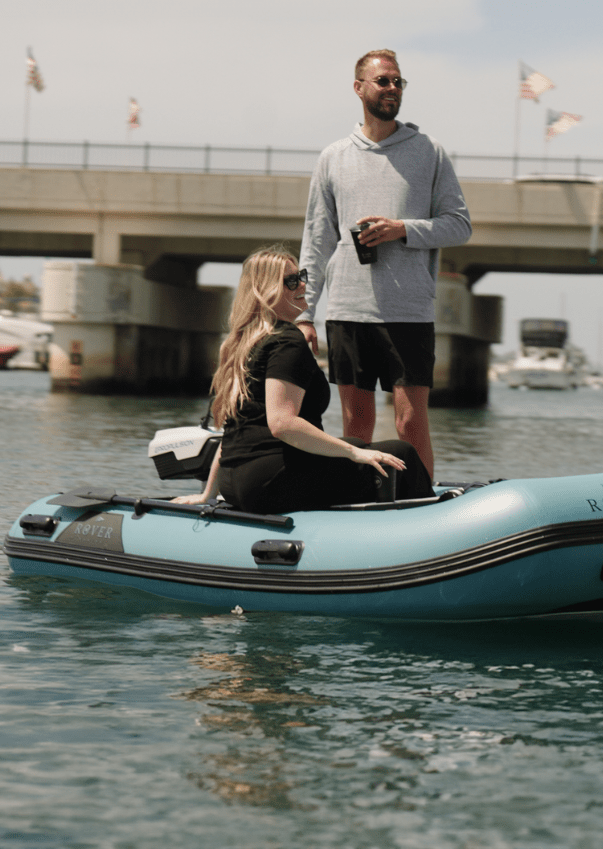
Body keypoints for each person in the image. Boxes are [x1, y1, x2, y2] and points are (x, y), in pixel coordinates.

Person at [295, 48, 471, 480]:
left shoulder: (430, 152)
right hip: (348, 311)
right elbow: (316, 241)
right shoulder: (333, 157)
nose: (392, 88)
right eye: (383, 81)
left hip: (408, 312)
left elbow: (459, 226)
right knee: (356, 426)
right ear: (359, 88)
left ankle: (424, 503)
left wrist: (402, 230)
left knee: (410, 423)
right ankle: (363, 503)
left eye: (398, 82)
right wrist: (304, 313)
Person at [172, 245, 431, 514]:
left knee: (354, 444)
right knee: (402, 453)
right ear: (266, 291)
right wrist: (355, 455)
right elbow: (282, 424)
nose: (303, 286)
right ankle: (429, 533)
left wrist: (208, 494)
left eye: (302, 276)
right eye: (292, 281)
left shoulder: (244, 344)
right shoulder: (287, 341)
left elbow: (234, 432)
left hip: (235, 482)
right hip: (271, 481)